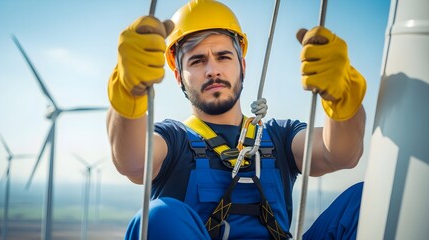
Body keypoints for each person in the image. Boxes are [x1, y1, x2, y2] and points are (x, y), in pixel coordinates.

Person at [107, 0, 366, 239]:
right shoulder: (174, 140)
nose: (212, 70)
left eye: (223, 56)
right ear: (179, 77)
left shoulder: (279, 137)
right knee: (158, 217)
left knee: (365, 200)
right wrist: (128, 90)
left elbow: (341, 153)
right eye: (197, 61)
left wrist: (341, 96)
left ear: (243, 64)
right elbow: (133, 160)